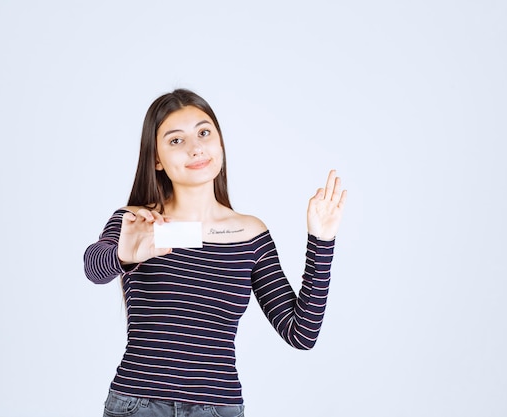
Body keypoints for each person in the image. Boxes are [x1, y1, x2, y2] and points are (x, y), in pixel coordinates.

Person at [84, 88, 347, 417]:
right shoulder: (140, 221)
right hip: (139, 405)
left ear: (220, 142)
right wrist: (124, 255)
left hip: (217, 408)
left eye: (204, 133)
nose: (195, 148)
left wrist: (321, 242)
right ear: (156, 158)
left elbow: (300, 333)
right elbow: (94, 267)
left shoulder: (250, 234)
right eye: (176, 141)